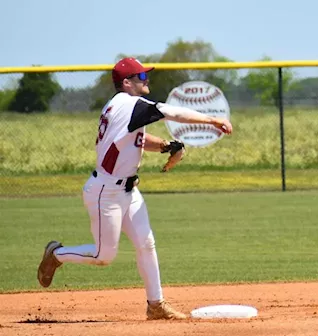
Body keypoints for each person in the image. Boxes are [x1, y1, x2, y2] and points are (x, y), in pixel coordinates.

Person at [37, 57, 233, 320]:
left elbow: (136, 140)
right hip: (105, 193)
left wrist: (167, 146)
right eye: (141, 77)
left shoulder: (121, 107)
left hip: (128, 190)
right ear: (127, 83)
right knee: (103, 255)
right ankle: (57, 254)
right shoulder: (129, 104)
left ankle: (156, 305)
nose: (146, 80)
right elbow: (171, 112)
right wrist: (211, 119)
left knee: (146, 243)